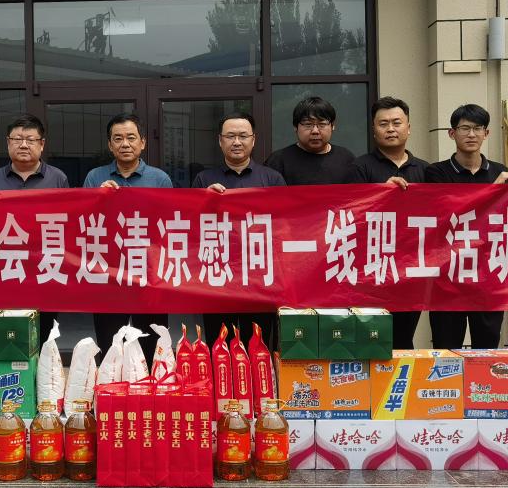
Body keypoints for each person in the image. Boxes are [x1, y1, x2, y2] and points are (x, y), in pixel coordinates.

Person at [425, 104, 508, 350]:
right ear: (451, 133)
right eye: (464, 128)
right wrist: (494, 190)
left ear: (486, 133)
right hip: (448, 275)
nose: (471, 134)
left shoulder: (501, 172)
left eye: (478, 128)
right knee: (446, 348)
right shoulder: (435, 172)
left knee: (487, 348)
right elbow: (448, 213)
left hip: (488, 274)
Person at [83, 112, 171, 361]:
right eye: (118, 138)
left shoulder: (160, 179)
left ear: (142, 142)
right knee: (110, 349)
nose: (125, 144)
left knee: (151, 347)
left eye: (131, 138)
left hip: (149, 275)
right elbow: (82, 223)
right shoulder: (95, 177)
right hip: (109, 275)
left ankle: (149, 386)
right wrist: (97, 199)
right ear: (110, 145)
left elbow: (171, 225)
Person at [193, 112, 284, 345]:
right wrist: (204, 200)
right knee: (219, 344)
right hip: (218, 277)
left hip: (259, 277)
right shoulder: (204, 180)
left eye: (243, 136)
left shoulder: (272, 179)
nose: (236, 142)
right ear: (220, 140)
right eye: (230, 136)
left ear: (253, 140)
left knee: (258, 345)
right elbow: (191, 229)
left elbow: (284, 226)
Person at [346, 96, 429, 350]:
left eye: (396, 122)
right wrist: (381, 193)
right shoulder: (359, 167)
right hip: (372, 269)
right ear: (374, 130)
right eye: (383, 124)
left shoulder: (426, 170)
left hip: (410, 269)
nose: (390, 129)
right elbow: (350, 215)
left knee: (403, 340)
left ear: (409, 128)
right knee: (371, 340)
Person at [0, 114, 69, 341]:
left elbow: (67, 222)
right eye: (17, 139)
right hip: (7, 268)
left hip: (44, 268)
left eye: (30, 139)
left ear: (42, 144)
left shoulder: (58, 178)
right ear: (8, 143)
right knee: (9, 334)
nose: (23, 145)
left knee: (44, 336)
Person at [265, 96, 355, 185]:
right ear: (295, 127)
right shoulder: (278, 161)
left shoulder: (346, 159)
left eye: (322, 124)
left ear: (333, 126)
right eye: (308, 124)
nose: (315, 131)